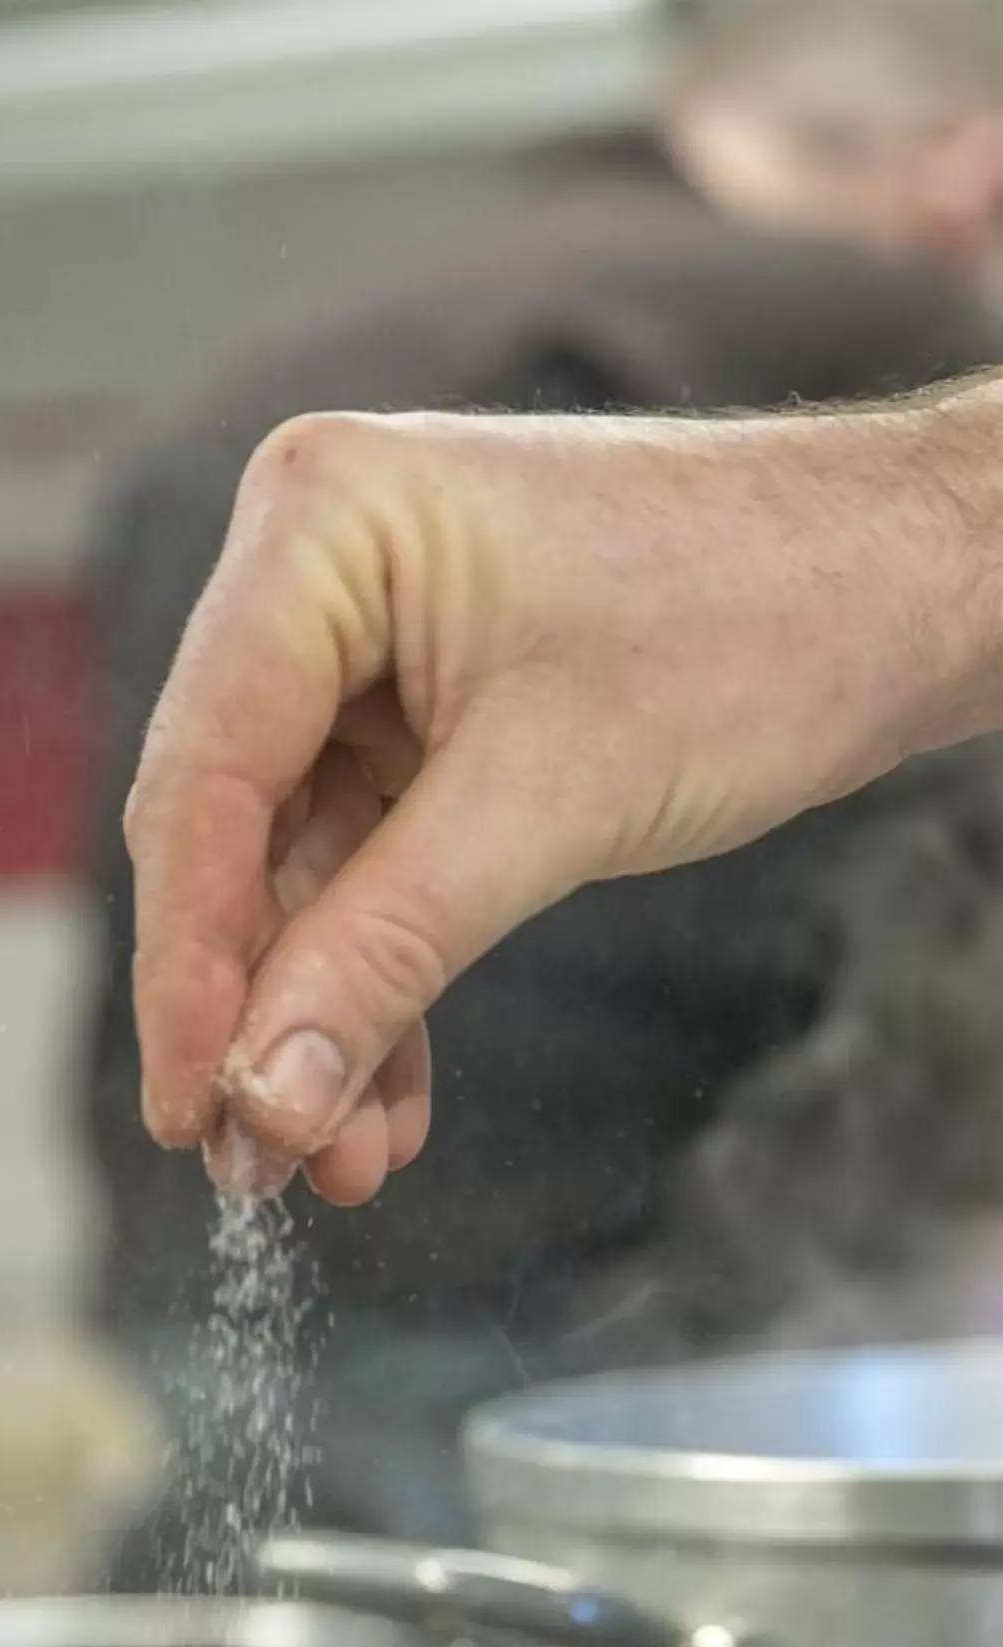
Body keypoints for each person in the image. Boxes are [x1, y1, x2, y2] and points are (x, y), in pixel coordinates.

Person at [92, 0, 1003, 1547]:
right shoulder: (896, 356)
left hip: (200, 1277)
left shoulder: (265, 386)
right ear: (970, 183)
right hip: (601, 1347)